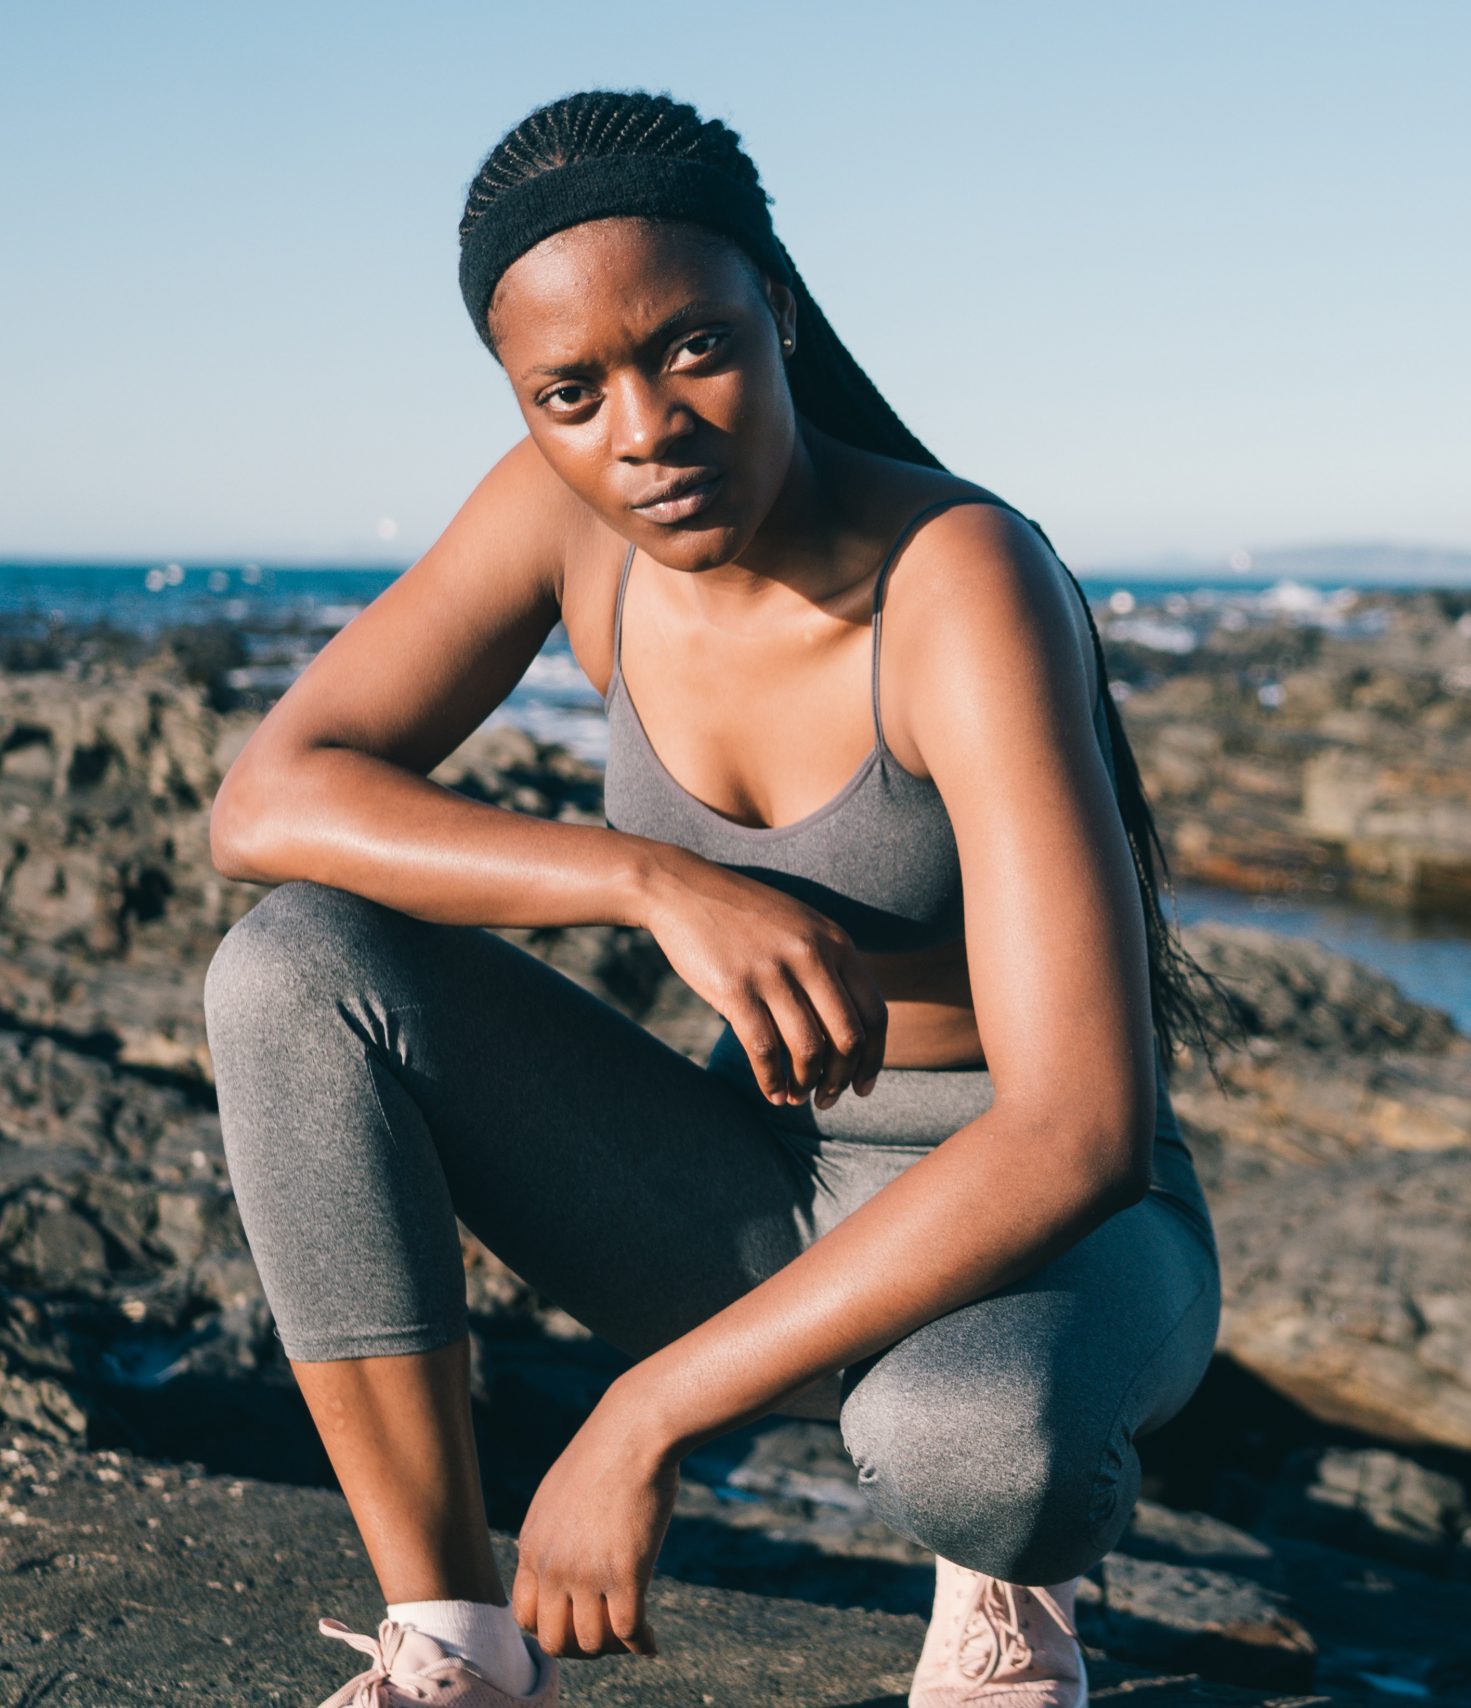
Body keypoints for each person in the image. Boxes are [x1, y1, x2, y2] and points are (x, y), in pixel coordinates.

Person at [199, 88, 1233, 1708]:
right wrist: (645, 879)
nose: (645, 430)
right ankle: (453, 1647)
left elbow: (1083, 1130)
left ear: (784, 316)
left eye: (694, 348)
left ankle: (1008, 1597)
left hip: (1051, 1235)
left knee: (959, 1440)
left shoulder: (958, 580)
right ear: (527, 406)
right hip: (756, 1179)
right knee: (292, 970)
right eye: (572, 392)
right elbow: (270, 800)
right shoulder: (571, 522)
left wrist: (642, 1412)